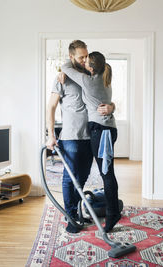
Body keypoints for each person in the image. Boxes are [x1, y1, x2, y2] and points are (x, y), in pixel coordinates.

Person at [46, 40, 114, 233]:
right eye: (81, 57)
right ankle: (71, 218)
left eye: (87, 55)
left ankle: (77, 210)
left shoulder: (92, 74)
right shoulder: (62, 78)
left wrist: (112, 106)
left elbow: (105, 96)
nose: (85, 59)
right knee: (70, 178)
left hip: (91, 135)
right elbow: (50, 107)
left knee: (83, 177)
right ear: (71, 57)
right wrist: (51, 135)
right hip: (71, 137)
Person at [60, 52, 121, 233]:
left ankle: (112, 214)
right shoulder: (104, 76)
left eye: (86, 60)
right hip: (106, 129)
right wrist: (112, 107)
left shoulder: (88, 81)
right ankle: (112, 212)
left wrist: (67, 61)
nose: (84, 62)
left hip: (101, 131)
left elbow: (65, 67)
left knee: (106, 174)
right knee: (107, 173)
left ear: (91, 67)